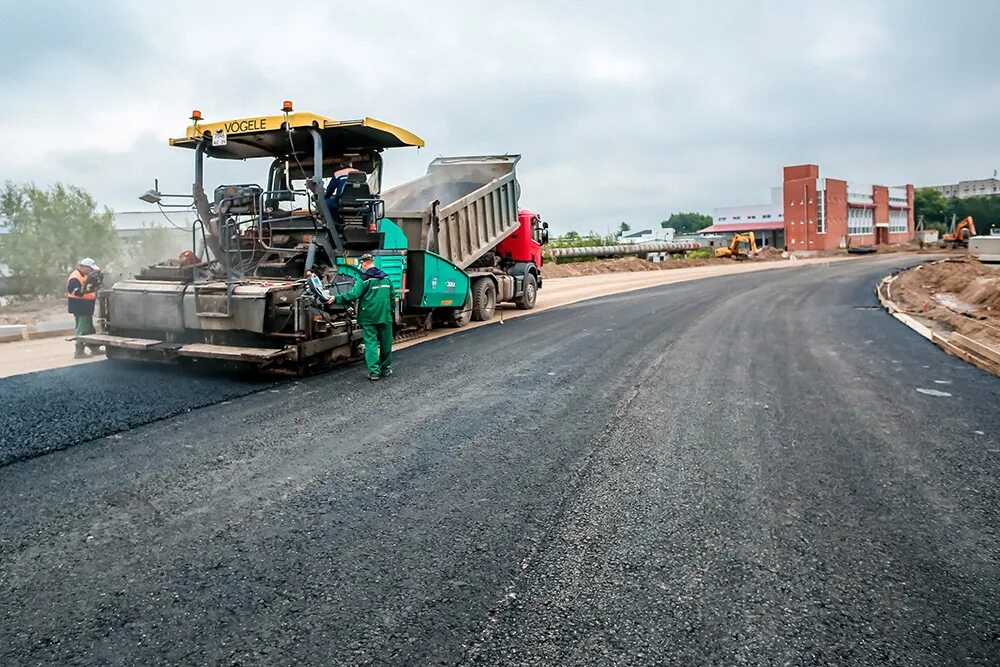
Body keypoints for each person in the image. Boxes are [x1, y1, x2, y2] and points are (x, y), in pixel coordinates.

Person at [328, 253, 395, 380]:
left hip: (369, 317)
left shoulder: (364, 279)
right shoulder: (386, 278)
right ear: (372, 262)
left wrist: (336, 298)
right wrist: (390, 311)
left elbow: (353, 295)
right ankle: (386, 369)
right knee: (386, 344)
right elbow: (393, 297)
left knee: (371, 344)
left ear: (364, 264)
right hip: (385, 316)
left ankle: (374, 372)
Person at [67, 258, 100, 359]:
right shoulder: (75, 277)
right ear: (83, 267)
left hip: (86, 305)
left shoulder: (85, 275)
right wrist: (86, 290)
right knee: (82, 328)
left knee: (89, 328)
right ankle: (79, 350)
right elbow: (74, 291)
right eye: (89, 269)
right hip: (80, 306)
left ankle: (94, 348)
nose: (91, 271)